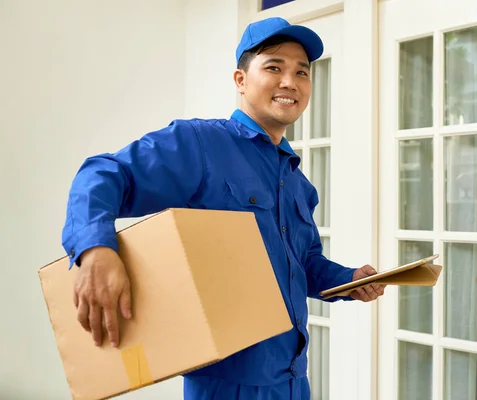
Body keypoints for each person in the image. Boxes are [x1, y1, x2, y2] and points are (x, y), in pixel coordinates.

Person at [62, 16, 385, 399]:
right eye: (273, 67)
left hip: (294, 380)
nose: (290, 82)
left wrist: (351, 280)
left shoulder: (298, 183)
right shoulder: (200, 144)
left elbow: (303, 265)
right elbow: (103, 173)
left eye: (302, 72)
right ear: (240, 80)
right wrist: (96, 249)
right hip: (226, 384)